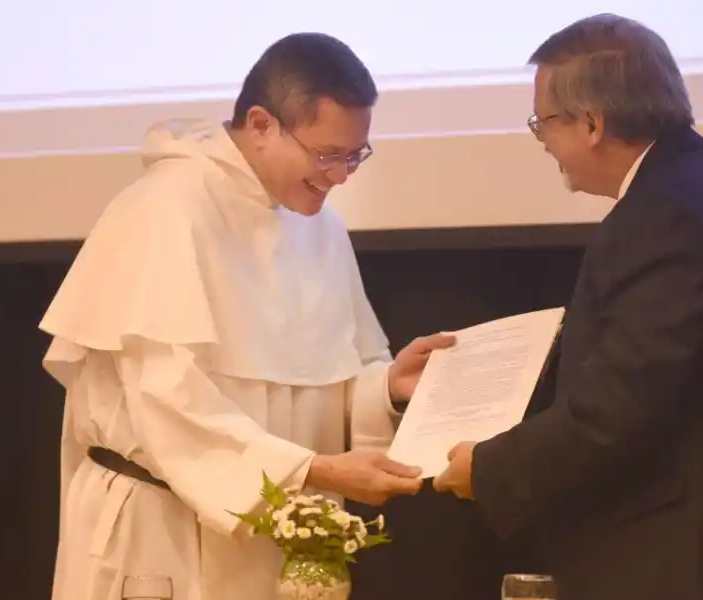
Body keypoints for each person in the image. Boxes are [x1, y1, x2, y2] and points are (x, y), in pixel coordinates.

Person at [435, 13, 703, 600]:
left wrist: (489, 467)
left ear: (592, 123)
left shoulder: (666, 216)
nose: (544, 142)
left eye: (543, 123)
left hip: (698, 561)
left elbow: (620, 407)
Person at [40, 32, 453, 600]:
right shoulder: (166, 207)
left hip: (272, 538)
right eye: (327, 154)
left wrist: (385, 388)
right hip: (160, 539)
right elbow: (168, 402)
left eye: (355, 155)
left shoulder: (319, 226)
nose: (340, 175)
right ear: (261, 124)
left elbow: (311, 385)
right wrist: (313, 471)